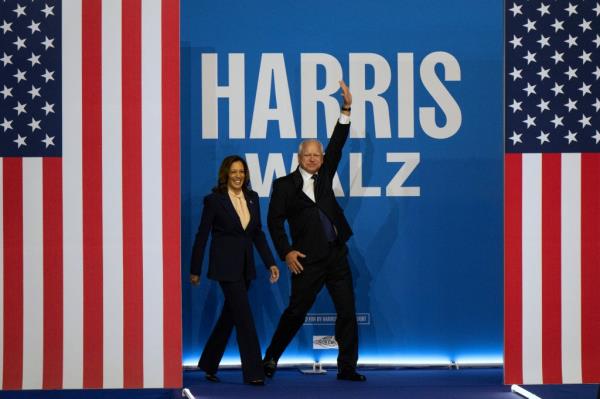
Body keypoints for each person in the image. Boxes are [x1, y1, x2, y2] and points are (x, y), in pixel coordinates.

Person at [263, 80, 366, 382]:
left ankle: (347, 368)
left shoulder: (325, 176)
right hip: (306, 260)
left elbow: (337, 142)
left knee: (347, 312)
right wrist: (286, 251)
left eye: (317, 155)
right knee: (296, 312)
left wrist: (346, 108)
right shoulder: (284, 185)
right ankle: (270, 358)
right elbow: (273, 222)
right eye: (307, 155)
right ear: (299, 157)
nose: (312, 159)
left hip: (336, 256)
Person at [190, 155, 280, 386]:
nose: (238, 176)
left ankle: (209, 363)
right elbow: (202, 234)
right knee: (245, 319)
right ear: (226, 175)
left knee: (229, 317)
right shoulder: (214, 200)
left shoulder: (252, 198)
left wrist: (271, 262)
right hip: (225, 268)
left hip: (246, 268)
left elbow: (257, 233)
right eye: (234, 172)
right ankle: (254, 372)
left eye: (242, 172)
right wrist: (195, 269)